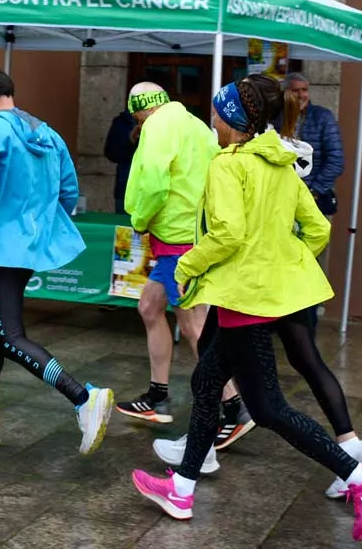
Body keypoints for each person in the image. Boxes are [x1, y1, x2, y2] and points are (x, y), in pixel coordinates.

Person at [131, 74, 362, 541]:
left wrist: (187, 265)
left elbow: (227, 233)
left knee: (267, 407)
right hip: (259, 294)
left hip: (243, 297)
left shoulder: (228, 166)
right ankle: (183, 487)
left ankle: (358, 476)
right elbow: (317, 230)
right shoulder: (281, 163)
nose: (211, 118)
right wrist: (280, 264)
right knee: (207, 381)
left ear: (232, 119)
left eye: (216, 112)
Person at [0, 69, 114, 456]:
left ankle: (83, 396)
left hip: (3, 246)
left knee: (9, 334)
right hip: (29, 245)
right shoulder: (46, 132)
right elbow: (69, 190)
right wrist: (39, 225)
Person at [117, 83, 251, 449]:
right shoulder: (194, 125)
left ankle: (235, 406)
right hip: (189, 236)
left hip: (178, 240)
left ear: (139, 112)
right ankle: (157, 395)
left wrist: (140, 219)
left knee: (194, 326)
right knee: (150, 307)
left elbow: (154, 184)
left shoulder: (157, 127)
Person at [279, 72, 343, 269]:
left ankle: (313, 300)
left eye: (305, 90)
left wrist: (313, 190)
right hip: (282, 198)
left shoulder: (323, 117)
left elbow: (336, 159)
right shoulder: (277, 117)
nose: (301, 95)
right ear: (285, 92)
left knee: (310, 258)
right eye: (295, 90)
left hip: (312, 199)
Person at [103, 109, 137, 214]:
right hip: (125, 187)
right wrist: (130, 141)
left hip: (153, 189)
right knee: (124, 226)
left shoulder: (162, 123)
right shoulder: (121, 122)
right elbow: (111, 153)